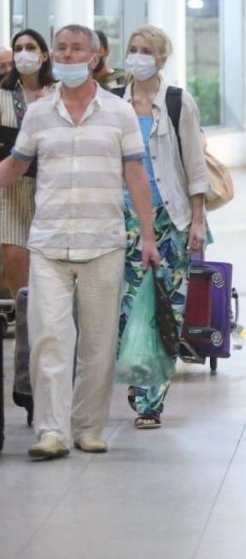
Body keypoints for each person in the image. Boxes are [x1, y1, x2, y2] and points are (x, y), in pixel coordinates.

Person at [0, 24, 159, 460]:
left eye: (77, 50)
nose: (68, 56)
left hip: (103, 241)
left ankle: (88, 426)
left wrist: (147, 235)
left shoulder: (118, 112)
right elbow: (15, 166)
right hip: (49, 243)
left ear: (94, 58)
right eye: (62, 49)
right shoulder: (38, 114)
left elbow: (135, 176)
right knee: (49, 338)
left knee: (98, 341)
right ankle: (51, 431)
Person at [118, 25, 209, 429]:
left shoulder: (177, 102)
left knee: (166, 309)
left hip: (170, 220)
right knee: (125, 310)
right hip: (123, 222)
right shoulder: (113, 106)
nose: (138, 56)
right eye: (133, 49)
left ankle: (151, 401)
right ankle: (138, 380)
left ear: (161, 58)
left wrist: (198, 220)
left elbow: (194, 164)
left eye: (146, 50)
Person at [0, 29, 56, 302]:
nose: (24, 53)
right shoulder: (3, 94)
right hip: (12, 188)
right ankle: (25, 328)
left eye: (30, 47)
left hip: (53, 189)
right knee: (15, 257)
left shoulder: (59, 93)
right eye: (18, 47)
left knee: (48, 264)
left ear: (44, 55)